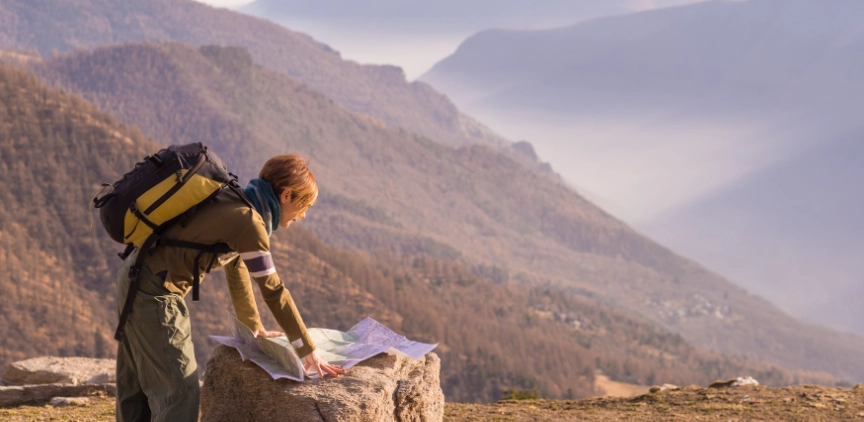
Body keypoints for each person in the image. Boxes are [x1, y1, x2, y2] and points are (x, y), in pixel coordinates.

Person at [114, 154, 345, 422]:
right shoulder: (249, 222)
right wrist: (306, 348)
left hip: (133, 275)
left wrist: (252, 326)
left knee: (135, 385)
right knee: (180, 391)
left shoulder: (235, 199)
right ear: (286, 195)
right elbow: (273, 289)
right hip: (155, 292)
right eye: (304, 205)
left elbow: (236, 266)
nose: (303, 215)